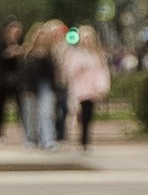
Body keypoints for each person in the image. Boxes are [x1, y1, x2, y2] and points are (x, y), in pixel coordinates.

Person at [19, 17, 66, 152]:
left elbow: (54, 74)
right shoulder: (28, 54)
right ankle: (31, 139)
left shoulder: (51, 53)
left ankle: (48, 139)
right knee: (31, 114)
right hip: (30, 87)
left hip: (47, 87)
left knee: (46, 113)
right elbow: (24, 73)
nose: (42, 39)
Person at [63, 22, 111, 151]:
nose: (87, 41)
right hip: (79, 89)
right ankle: (81, 137)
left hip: (92, 89)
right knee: (79, 113)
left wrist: (102, 87)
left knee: (88, 115)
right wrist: (79, 68)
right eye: (85, 39)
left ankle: (85, 138)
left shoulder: (97, 55)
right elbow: (69, 71)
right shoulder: (75, 54)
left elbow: (102, 72)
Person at [0, 18, 28, 138]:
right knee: (1, 108)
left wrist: (20, 53)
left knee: (22, 107)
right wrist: (7, 55)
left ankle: (26, 132)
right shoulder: (1, 45)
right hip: (3, 80)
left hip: (19, 80)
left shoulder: (23, 44)